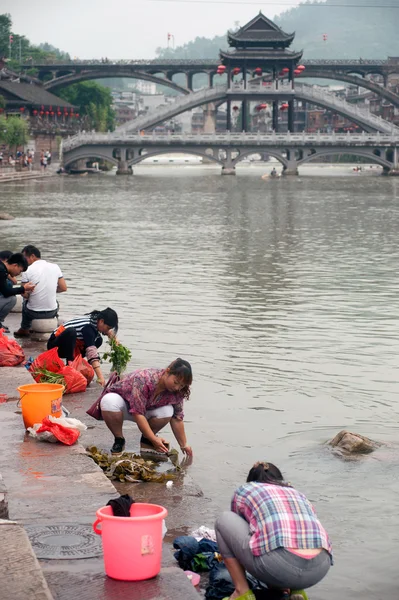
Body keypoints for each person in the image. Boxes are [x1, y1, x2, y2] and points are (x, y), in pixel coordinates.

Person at [215, 462, 332, 600]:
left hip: (279, 565)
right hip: (320, 568)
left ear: (251, 479)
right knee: (294, 535)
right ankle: (296, 592)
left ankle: (242, 591)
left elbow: (240, 538)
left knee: (223, 520)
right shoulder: (297, 493)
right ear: (279, 478)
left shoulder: (245, 489)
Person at [99, 358, 193, 456]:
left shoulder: (178, 391)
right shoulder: (144, 378)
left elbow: (177, 418)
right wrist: (154, 438)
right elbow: (138, 413)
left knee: (168, 411)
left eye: (181, 385)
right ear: (167, 371)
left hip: (145, 410)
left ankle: (146, 441)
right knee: (108, 401)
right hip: (124, 406)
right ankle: (119, 440)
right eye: (176, 382)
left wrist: (184, 445)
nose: (177, 388)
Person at [47, 308, 118, 386]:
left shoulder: (95, 320)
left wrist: (113, 338)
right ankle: (70, 365)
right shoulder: (88, 327)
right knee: (72, 332)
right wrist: (100, 377)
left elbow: (102, 332)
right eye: (108, 328)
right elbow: (91, 351)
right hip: (55, 345)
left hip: (70, 346)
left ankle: (75, 362)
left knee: (98, 340)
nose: (107, 330)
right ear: (101, 321)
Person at [14, 245, 67, 338]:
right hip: (51, 311)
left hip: (33, 312)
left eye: (24, 257)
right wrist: (49, 289)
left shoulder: (27, 270)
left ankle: (24, 328)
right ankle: (55, 324)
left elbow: (24, 294)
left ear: (32, 256)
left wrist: (31, 292)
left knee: (24, 301)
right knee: (55, 302)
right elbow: (63, 288)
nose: (23, 261)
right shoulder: (55, 267)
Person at [0, 253, 35, 332]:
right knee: (11, 299)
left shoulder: (2, 269)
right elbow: (6, 292)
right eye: (20, 271)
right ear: (15, 265)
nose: (19, 274)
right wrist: (23, 288)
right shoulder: (1, 270)